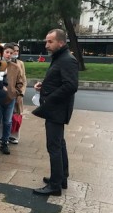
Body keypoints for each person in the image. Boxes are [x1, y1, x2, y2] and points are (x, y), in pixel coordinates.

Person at [32, 29, 78, 196]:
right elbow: (59, 80)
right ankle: (61, 177)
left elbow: (71, 86)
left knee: (54, 146)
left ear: (61, 42)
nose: (46, 45)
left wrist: (50, 97)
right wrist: (43, 86)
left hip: (57, 109)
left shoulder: (67, 60)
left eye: (50, 42)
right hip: (56, 108)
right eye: (46, 41)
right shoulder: (60, 57)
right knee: (60, 143)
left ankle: (55, 185)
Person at [0, 43, 24, 155]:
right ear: (2, 53)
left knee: (8, 121)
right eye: (7, 52)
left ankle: (4, 142)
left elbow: (20, 82)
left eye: (11, 53)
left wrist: (16, 92)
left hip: (10, 98)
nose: (9, 55)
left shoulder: (15, 67)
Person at [9, 43, 27, 144]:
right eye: (13, 51)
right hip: (8, 93)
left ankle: (14, 136)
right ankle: (3, 135)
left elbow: (24, 80)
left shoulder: (20, 63)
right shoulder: (4, 63)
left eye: (17, 51)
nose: (15, 53)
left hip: (18, 93)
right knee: (6, 116)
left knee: (17, 115)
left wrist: (21, 94)